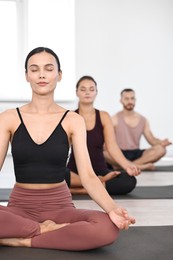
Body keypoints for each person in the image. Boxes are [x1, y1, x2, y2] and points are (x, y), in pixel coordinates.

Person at [0, 47, 136, 251]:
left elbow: (89, 176)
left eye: (48, 68)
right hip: (19, 207)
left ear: (59, 74)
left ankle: (22, 238)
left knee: (107, 227)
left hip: (60, 208)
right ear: (27, 75)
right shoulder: (8, 118)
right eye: (34, 69)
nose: (42, 75)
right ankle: (44, 231)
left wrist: (113, 209)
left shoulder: (73, 120)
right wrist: (42, 227)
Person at [66, 76, 140, 196]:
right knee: (58, 175)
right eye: (83, 89)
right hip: (76, 172)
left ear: (96, 92)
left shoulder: (104, 116)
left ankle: (81, 190)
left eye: (91, 89)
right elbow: (63, 147)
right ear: (77, 92)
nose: (87, 92)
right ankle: (98, 184)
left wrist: (127, 166)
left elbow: (112, 147)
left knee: (129, 181)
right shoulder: (70, 116)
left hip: (100, 170)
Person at [104, 88, 172, 171]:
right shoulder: (114, 119)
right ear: (121, 100)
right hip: (120, 153)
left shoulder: (143, 120)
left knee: (161, 149)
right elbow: (108, 141)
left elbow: (152, 140)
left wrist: (161, 142)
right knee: (103, 153)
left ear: (135, 100)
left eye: (132, 98)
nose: (130, 101)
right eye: (126, 99)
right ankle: (139, 166)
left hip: (136, 153)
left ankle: (127, 166)